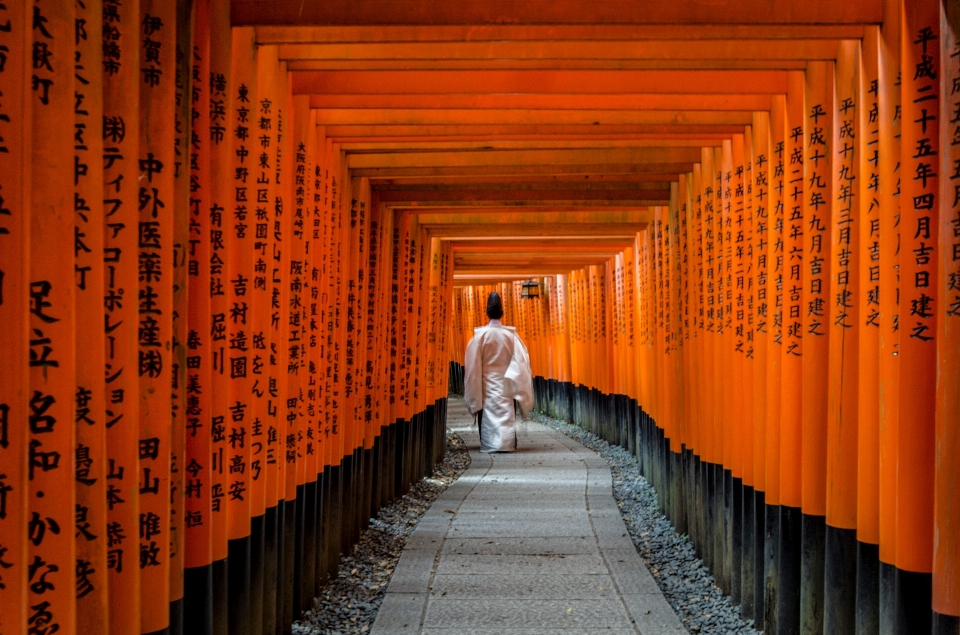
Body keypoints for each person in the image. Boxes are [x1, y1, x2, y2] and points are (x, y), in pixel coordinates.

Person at [463, 291, 534, 453]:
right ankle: (508, 442)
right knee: (507, 410)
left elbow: (472, 364)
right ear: (502, 312)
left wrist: (473, 390)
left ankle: (488, 442)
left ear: (487, 312)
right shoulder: (511, 335)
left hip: (485, 380)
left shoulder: (480, 336)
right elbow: (521, 361)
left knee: (486, 410)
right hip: (507, 379)